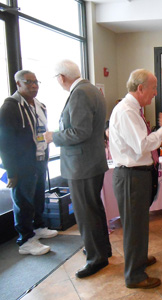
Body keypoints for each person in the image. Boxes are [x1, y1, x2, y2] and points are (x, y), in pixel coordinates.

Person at [43, 59, 111, 278]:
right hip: (90, 161)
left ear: (62, 77)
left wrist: (54, 137)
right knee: (93, 209)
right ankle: (101, 249)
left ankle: (96, 257)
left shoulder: (80, 93)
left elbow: (79, 132)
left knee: (86, 213)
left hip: (82, 164)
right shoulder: (91, 90)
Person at [109, 69, 162, 289]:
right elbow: (142, 145)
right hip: (130, 177)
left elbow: (139, 144)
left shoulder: (134, 110)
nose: (155, 93)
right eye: (153, 88)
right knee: (134, 227)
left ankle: (140, 259)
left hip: (137, 175)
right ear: (140, 88)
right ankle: (135, 276)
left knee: (140, 224)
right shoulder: (126, 111)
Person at [0, 70, 58, 255]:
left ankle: (38, 226)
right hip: (23, 163)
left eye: (36, 82)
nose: (34, 86)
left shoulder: (39, 105)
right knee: (23, 200)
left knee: (38, 195)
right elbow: (5, 142)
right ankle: (25, 239)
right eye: (29, 82)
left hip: (40, 158)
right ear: (18, 84)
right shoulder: (10, 107)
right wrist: (11, 170)